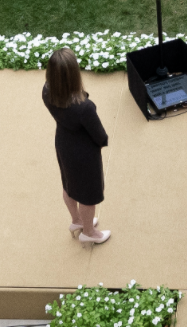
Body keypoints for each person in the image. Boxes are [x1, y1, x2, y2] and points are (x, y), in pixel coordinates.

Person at [42, 47, 110, 245]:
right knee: (88, 195)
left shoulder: (47, 91)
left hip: (63, 143)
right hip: (84, 153)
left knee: (69, 185)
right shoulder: (84, 107)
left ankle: (77, 220)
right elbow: (100, 135)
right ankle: (89, 232)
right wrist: (102, 142)